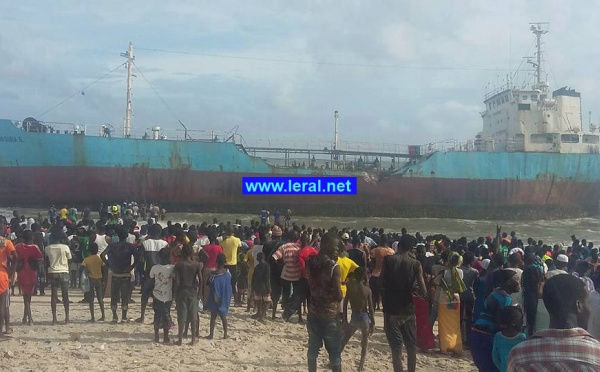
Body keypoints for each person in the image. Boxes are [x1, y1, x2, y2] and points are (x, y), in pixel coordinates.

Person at [508, 274, 600, 371]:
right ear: (578, 306)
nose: (589, 310)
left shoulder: (519, 355)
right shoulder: (596, 354)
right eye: (587, 303)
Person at [380, 234, 427, 372]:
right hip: (408, 309)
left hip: (391, 309)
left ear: (399, 245)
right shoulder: (416, 264)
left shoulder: (388, 260)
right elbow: (423, 291)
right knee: (411, 346)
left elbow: (381, 281)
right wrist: (412, 288)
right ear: (411, 248)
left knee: (396, 349)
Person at [469, 269, 520, 372]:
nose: (519, 283)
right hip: (486, 336)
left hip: (476, 334)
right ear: (508, 282)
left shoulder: (495, 293)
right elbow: (502, 322)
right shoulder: (505, 299)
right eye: (517, 280)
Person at [306, 232, 343, 372]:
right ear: (327, 245)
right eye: (335, 246)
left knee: (312, 351)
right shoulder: (334, 267)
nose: (337, 249)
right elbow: (339, 296)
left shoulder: (310, 262)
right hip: (329, 315)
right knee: (334, 353)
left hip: (313, 312)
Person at [100, 226, 139, 323]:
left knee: (114, 295)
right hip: (126, 273)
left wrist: (110, 265)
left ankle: (114, 317)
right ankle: (124, 317)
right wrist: (132, 266)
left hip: (116, 273)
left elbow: (102, 255)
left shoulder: (113, 246)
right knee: (124, 296)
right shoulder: (130, 246)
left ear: (117, 236)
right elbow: (138, 257)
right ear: (126, 236)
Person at [341, 267, 374, 372]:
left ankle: (335, 360)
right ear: (364, 278)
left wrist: (344, 320)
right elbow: (371, 308)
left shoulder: (350, 288)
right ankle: (360, 367)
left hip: (354, 317)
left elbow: (345, 305)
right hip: (365, 318)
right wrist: (373, 322)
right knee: (364, 344)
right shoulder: (367, 290)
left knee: (344, 340)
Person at [136, 223, 168, 323]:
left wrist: (142, 272)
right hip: (161, 274)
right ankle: (157, 318)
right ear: (160, 232)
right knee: (158, 296)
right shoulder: (165, 244)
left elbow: (140, 260)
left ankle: (142, 316)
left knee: (145, 295)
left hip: (148, 272)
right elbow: (167, 259)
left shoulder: (145, 243)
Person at [435, 251, 465, 355]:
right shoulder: (460, 272)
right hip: (456, 299)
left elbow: (436, 281)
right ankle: (456, 346)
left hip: (444, 299)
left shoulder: (444, 272)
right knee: (455, 324)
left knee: (444, 325)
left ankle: (445, 347)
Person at [173, 243, 202, 345]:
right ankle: (193, 339)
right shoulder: (196, 265)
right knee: (193, 315)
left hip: (182, 291)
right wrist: (199, 293)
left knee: (181, 315)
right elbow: (201, 280)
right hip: (193, 291)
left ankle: (180, 339)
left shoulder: (179, 265)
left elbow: (176, 281)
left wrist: (174, 295)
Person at [15, 230, 43, 325]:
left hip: (22, 272)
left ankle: (25, 317)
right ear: (31, 237)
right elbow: (40, 259)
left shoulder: (18, 247)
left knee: (25, 296)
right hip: (32, 272)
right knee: (28, 296)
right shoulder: (35, 247)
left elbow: (13, 255)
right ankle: (29, 318)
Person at [45, 233, 72, 325]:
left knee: (54, 295)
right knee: (65, 295)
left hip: (52, 272)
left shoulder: (47, 248)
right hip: (64, 271)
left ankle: (54, 319)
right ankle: (67, 318)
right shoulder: (65, 247)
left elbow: (46, 263)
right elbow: (70, 259)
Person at [150, 247, 174, 343]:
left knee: (157, 314)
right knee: (166, 314)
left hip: (156, 294)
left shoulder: (154, 268)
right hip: (168, 295)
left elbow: (151, 280)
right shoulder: (172, 268)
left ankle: (156, 336)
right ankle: (166, 337)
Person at [205, 253, 232, 339]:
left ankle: (211, 334)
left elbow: (208, 283)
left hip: (214, 297)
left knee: (213, 316)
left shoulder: (213, 274)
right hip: (225, 297)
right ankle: (225, 334)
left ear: (216, 261)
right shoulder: (228, 273)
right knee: (223, 316)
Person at [492, 306, 526, 372]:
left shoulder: (498, 336)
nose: (522, 321)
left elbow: (495, 358)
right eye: (521, 318)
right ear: (513, 323)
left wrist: (502, 368)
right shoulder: (522, 337)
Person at [81, 243, 105, 322]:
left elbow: (81, 268)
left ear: (89, 250)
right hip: (99, 279)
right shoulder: (99, 259)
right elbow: (103, 268)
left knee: (91, 299)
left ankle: (92, 317)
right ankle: (103, 315)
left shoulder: (87, 259)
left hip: (91, 279)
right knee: (100, 298)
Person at [220, 227, 241, 306]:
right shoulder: (237, 240)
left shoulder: (222, 242)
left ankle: (223, 300)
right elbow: (240, 248)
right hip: (233, 263)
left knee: (224, 283)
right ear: (233, 233)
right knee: (233, 283)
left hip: (224, 264)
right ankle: (236, 302)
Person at [0, 237, 17, 336]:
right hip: (2, 275)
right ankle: (4, 329)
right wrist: (12, 272)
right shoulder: (6, 242)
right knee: (3, 305)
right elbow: (16, 257)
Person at [251, 252, 271, 323]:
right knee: (268, 302)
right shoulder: (267, 266)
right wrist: (269, 287)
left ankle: (258, 313)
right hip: (264, 286)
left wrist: (252, 287)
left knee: (258, 301)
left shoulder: (256, 267)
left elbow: (253, 278)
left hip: (257, 286)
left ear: (257, 259)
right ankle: (262, 317)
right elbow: (267, 278)